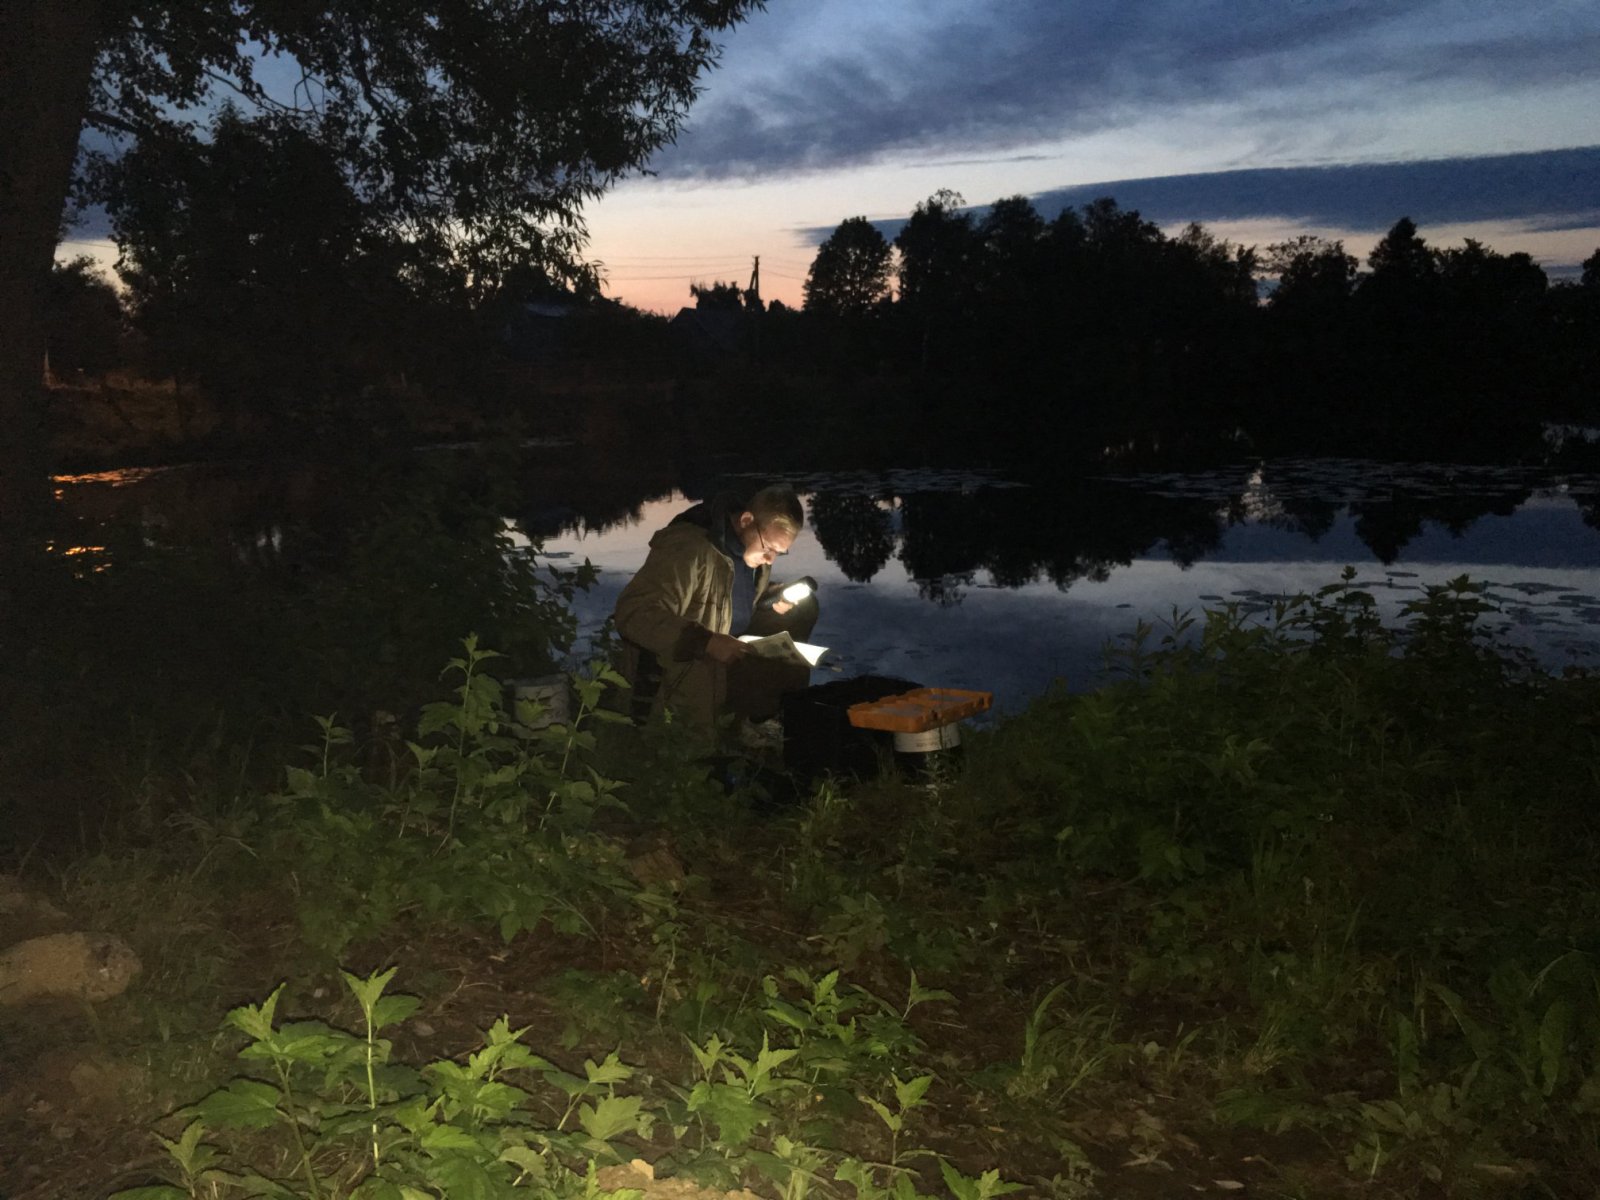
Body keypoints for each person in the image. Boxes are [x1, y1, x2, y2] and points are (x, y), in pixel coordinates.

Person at [613, 483, 817, 736]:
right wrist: (707, 642)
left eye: (779, 552)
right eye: (768, 547)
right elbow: (634, 613)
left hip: (727, 656)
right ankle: (710, 731)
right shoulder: (689, 548)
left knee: (804, 609)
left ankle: (758, 721)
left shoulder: (753, 558)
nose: (770, 559)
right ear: (746, 520)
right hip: (682, 672)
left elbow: (730, 602)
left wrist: (774, 600)